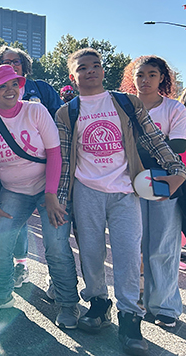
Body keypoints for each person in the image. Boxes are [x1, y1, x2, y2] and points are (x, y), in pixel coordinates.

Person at [56, 48, 186, 355]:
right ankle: (99, 304)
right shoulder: (66, 112)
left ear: (104, 71)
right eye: (82, 67)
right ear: (73, 76)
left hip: (126, 191)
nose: (90, 70)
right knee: (90, 253)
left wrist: (178, 170)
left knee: (127, 255)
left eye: (96, 65)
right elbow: (65, 160)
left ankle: (130, 318)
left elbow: (153, 138)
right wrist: (61, 199)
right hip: (87, 190)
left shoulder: (126, 102)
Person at [0, 65, 80, 324]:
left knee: (56, 245)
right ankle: (1, 294)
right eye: (2, 87)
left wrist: (51, 194)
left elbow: (54, 153)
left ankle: (68, 303)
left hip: (47, 187)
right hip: (13, 191)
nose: (10, 90)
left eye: (14, 84)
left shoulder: (35, 111)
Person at [0, 45, 64, 288]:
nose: (12, 65)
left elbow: (61, 118)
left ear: (24, 65)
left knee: (55, 236)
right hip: (12, 176)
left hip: (48, 171)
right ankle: (20, 265)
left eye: (16, 61)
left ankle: (56, 280)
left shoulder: (41, 89)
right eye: (6, 62)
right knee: (14, 226)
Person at [120, 55, 186, 328]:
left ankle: (165, 307)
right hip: (126, 182)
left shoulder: (173, 108)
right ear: (132, 78)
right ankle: (134, 302)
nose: (145, 80)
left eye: (152, 75)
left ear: (162, 79)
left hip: (164, 182)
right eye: (140, 75)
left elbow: (179, 145)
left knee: (162, 247)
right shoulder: (122, 106)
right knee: (131, 246)